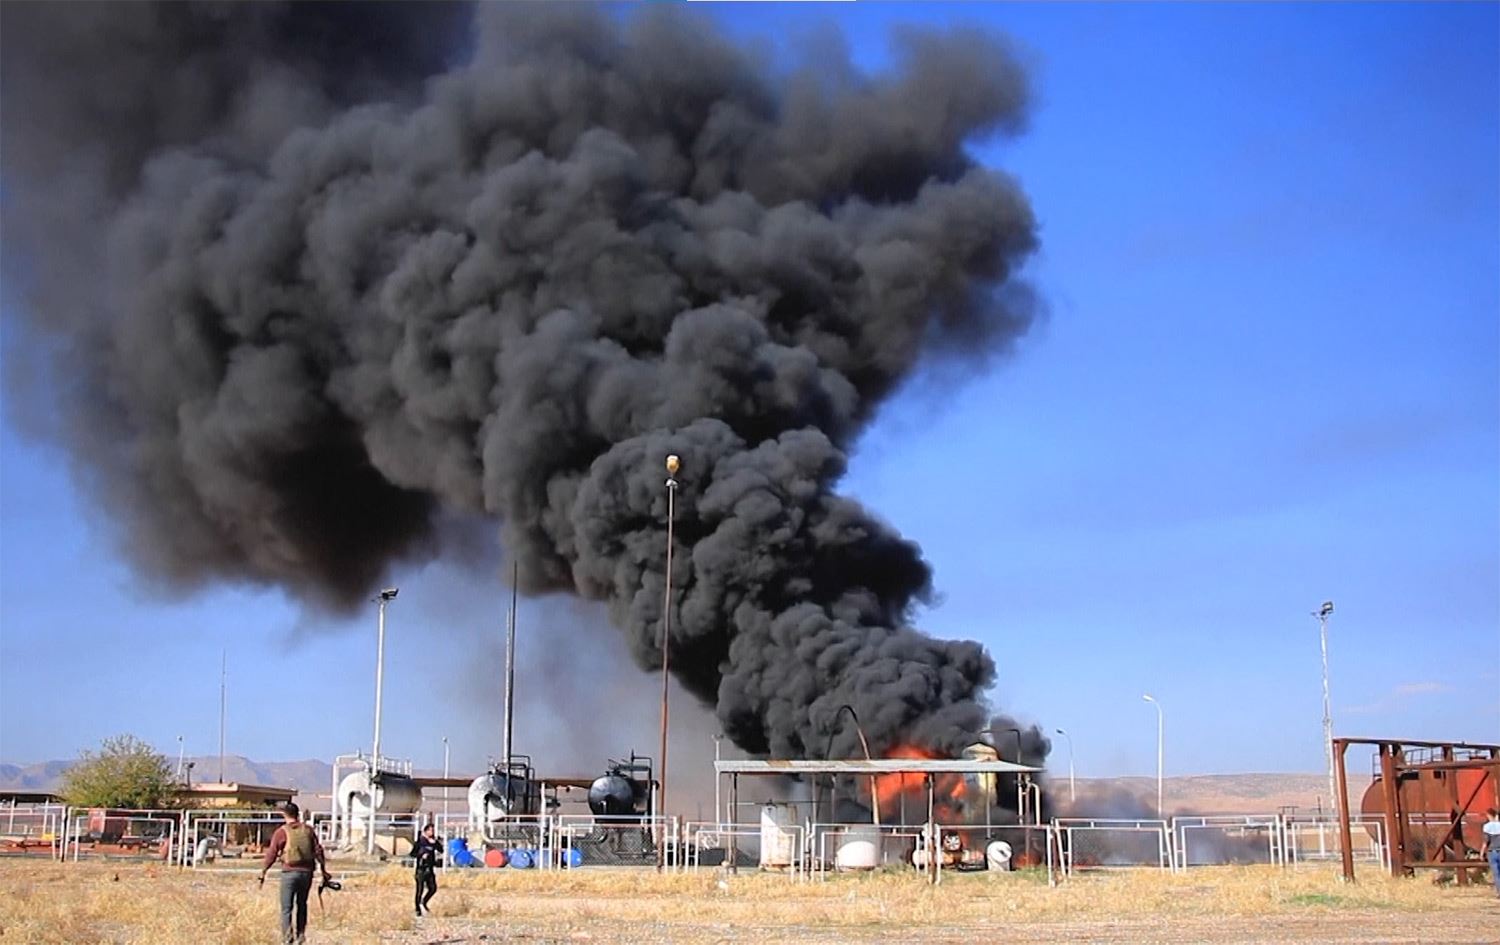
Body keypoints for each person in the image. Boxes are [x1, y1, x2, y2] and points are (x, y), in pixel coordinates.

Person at [258, 802, 329, 945]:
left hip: (289, 872)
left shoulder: (281, 832)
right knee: (302, 904)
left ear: (285, 814)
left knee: (286, 908)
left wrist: (264, 871)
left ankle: (287, 939)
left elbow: (272, 853)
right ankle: (301, 936)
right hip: (307, 873)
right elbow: (318, 851)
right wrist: (323, 870)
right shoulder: (308, 830)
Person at [412, 822, 441, 916]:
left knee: (433, 888)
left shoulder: (433, 842)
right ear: (426, 831)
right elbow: (412, 854)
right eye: (431, 830)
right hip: (421, 869)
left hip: (430, 869)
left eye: (433, 830)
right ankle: (417, 909)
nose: (432, 832)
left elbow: (441, 850)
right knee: (419, 890)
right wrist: (421, 855)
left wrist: (436, 842)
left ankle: (424, 902)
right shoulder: (420, 842)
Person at [1484, 807, 1500, 898]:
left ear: (1489, 816)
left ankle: (1499, 892)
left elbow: (1486, 841)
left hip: (1492, 851)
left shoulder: (1486, 826)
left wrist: (1482, 852)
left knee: (1496, 873)